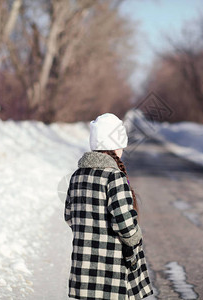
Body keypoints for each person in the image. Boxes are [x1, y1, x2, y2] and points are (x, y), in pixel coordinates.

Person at [64, 113, 154, 299]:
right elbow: (125, 224)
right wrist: (134, 239)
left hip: (84, 265)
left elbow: (69, 216)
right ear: (115, 145)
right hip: (111, 267)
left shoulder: (76, 176)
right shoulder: (114, 177)